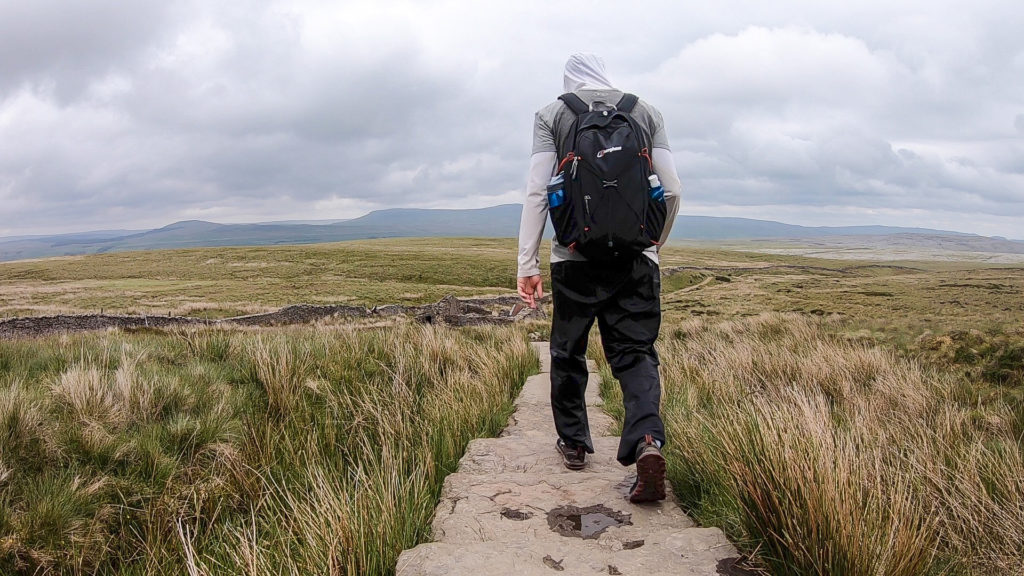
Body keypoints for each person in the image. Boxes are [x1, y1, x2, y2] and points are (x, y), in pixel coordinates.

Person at [516, 53, 681, 503]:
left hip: (574, 256)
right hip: (636, 257)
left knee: (568, 350)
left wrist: (526, 264)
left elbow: (537, 189)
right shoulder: (645, 112)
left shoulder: (553, 113)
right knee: (634, 353)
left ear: (568, 78)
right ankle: (647, 440)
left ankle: (574, 444)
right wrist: (652, 241)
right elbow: (672, 189)